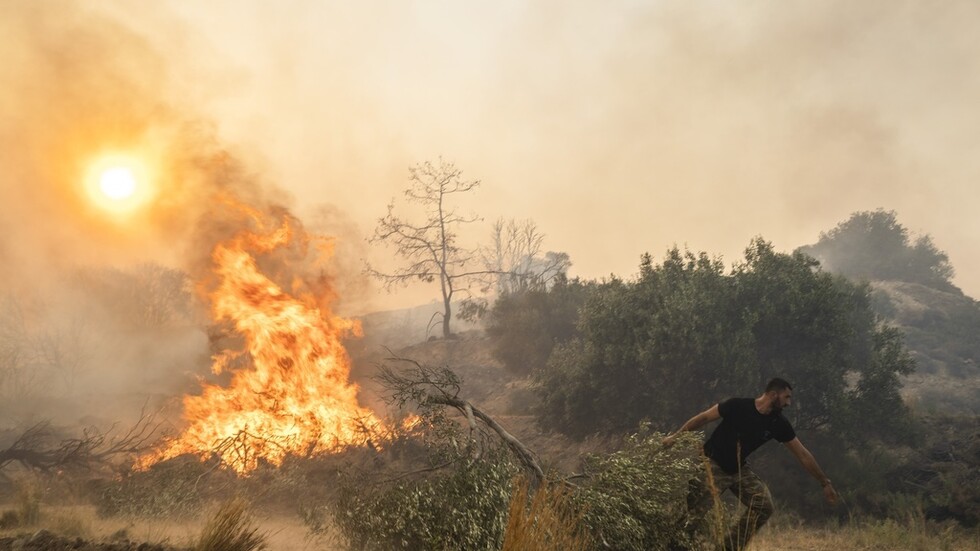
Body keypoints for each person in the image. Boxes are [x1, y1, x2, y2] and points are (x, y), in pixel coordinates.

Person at [662, 378, 838, 550]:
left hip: (738, 470)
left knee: (764, 507)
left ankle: (729, 547)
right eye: (786, 397)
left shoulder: (778, 423)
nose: (788, 403)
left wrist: (824, 482)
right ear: (773, 394)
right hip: (711, 465)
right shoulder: (737, 406)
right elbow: (703, 418)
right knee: (690, 519)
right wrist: (675, 437)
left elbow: (803, 454)